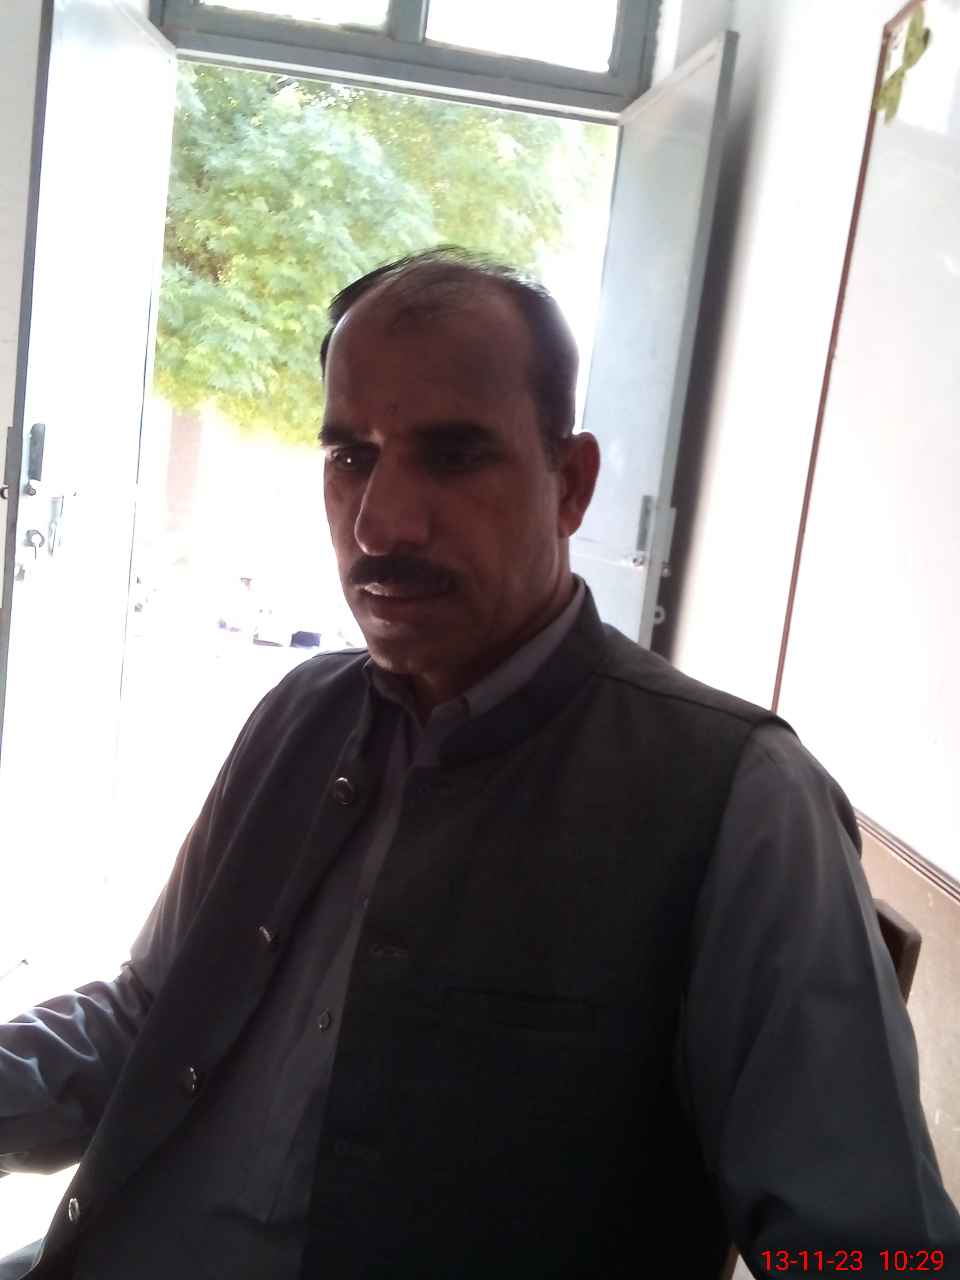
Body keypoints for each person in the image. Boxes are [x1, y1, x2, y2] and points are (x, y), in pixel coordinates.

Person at [1, 248, 958, 1279]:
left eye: (453, 456)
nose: (379, 522)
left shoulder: (739, 802)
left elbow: (874, 1251)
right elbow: (149, 1014)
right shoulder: (298, 716)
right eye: (351, 456)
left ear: (571, 484)